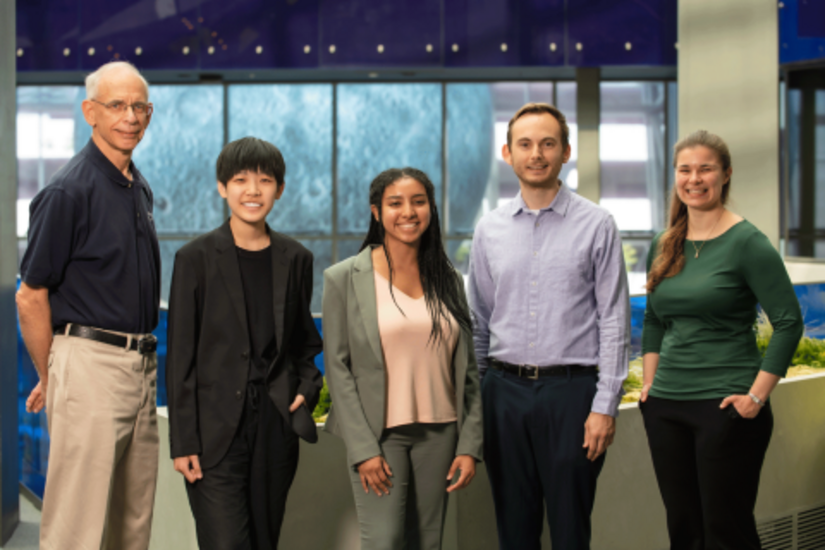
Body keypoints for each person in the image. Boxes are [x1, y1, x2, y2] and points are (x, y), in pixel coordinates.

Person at [468, 102, 630, 550]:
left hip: (572, 396)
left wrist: (605, 406)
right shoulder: (489, 230)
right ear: (507, 153)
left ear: (565, 151)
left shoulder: (598, 225)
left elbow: (615, 321)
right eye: (525, 144)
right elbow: (479, 323)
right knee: (514, 532)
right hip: (503, 392)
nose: (535, 153)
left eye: (547, 144)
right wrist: (478, 402)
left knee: (570, 531)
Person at [16, 61, 160, 550]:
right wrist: (52, 374)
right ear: (89, 113)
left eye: (139, 106)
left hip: (139, 368)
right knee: (77, 530)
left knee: (131, 525)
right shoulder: (67, 191)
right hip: (91, 366)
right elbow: (30, 295)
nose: (130, 117)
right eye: (116, 105)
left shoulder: (136, 187)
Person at [639, 130, 804, 550]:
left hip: (727, 407)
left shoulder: (748, 243)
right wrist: (649, 387)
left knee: (725, 531)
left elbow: (788, 322)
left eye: (705, 169)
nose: (694, 179)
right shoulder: (664, 242)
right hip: (667, 407)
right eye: (685, 170)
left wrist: (757, 398)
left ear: (725, 174)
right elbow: (655, 320)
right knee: (684, 530)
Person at [165, 137, 323, 549]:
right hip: (214, 430)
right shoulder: (194, 259)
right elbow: (180, 358)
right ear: (222, 187)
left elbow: (305, 344)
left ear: (280, 189)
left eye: (265, 180)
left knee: (264, 541)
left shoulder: (297, 258)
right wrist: (182, 443)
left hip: (274, 425)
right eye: (240, 180)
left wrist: (305, 390)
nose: (253, 191)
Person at [323, 167, 483, 550]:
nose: (408, 212)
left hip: (441, 432)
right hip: (381, 436)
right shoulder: (343, 278)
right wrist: (363, 450)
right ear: (376, 212)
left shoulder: (447, 277)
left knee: (428, 542)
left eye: (418, 202)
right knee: (384, 541)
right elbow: (339, 369)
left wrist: (469, 445)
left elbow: (469, 373)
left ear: (430, 209)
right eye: (395, 203)